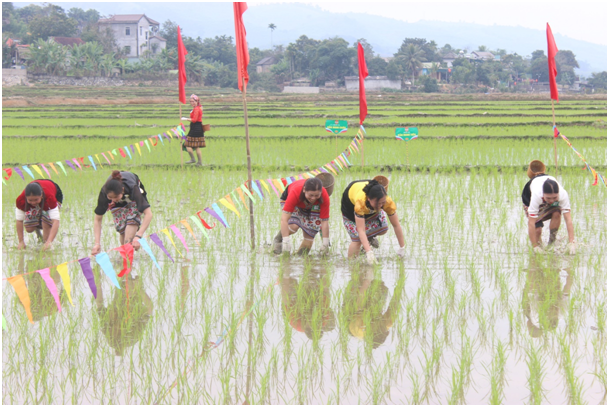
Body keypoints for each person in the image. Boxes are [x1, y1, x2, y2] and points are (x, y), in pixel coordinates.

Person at [341, 179, 405, 264]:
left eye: (382, 203)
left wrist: (402, 247)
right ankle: (352, 266)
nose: (380, 205)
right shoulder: (360, 203)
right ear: (368, 199)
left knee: (383, 228)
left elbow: (396, 225)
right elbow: (361, 230)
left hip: (370, 209)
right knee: (357, 240)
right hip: (350, 208)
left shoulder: (386, 202)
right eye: (377, 203)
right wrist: (369, 252)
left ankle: (368, 239)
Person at [91, 170, 153, 255]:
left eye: (116, 197)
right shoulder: (104, 193)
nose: (113, 200)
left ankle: (128, 258)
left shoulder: (133, 188)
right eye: (110, 198)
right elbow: (97, 219)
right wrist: (97, 244)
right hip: (119, 201)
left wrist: (138, 236)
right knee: (122, 230)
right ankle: (125, 258)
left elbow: (148, 214)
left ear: (122, 190)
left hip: (132, 198)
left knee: (131, 226)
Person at [521, 160, 576, 254]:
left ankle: (551, 244)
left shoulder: (562, 194)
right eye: (549, 198)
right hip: (528, 197)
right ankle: (538, 248)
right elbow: (531, 223)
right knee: (537, 230)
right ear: (543, 195)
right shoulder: (536, 195)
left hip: (546, 197)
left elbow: (568, 219)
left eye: (555, 198)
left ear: (558, 194)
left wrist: (572, 243)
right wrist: (535, 247)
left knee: (557, 212)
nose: (551, 201)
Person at [272, 177, 331, 255]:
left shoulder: (324, 196)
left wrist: (325, 242)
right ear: (304, 190)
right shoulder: (295, 192)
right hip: (293, 201)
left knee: (310, 235)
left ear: (321, 192)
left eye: (316, 195)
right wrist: (286, 241)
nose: (313, 198)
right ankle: (278, 239)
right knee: (294, 226)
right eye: (311, 195)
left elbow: (324, 221)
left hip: (312, 206)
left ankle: (300, 258)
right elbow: (284, 219)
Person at [15, 179, 63, 251]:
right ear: (26, 198)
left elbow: (56, 221)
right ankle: (38, 231)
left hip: (54, 193)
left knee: (46, 224)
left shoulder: (49, 198)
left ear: (41, 196)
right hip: (38, 192)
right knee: (29, 228)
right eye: (30, 200)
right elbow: (19, 221)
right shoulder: (21, 200)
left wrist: (49, 242)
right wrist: (21, 242)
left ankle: (44, 244)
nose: (33, 203)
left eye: (36, 200)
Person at [181, 94, 205, 166]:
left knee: (187, 144)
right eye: (191, 101)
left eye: (193, 101)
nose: (192, 103)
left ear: (197, 101)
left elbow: (194, 120)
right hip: (197, 128)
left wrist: (185, 119)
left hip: (196, 128)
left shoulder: (197, 109)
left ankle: (193, 159)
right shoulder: (197, 108)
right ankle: (199, 162)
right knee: (196, 146)